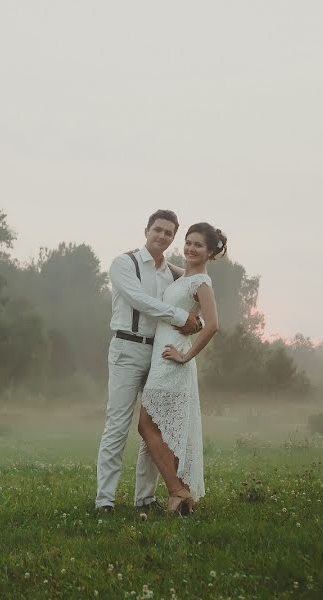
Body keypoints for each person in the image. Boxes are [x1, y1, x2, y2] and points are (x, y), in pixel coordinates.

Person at [94, 209, 202, 513]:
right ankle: (105, 501)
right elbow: (141, 301)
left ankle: (146, 498)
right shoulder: (123, 264)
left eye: (169, 233)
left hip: (160, 353)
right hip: (127, 350)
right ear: (146, 230)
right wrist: (183, 317)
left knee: (154, 425)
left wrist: (199, 321)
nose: (162, 236)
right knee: (117, 425)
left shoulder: (173, 272)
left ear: (173, 239)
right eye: (158, 230)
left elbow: (196, 291)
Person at [138, 222, 225, 515]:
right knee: (165, 428)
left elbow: (212, 325)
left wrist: (186, 356)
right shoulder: (183, 277)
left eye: (199, 245)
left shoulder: (201, 283)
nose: (191, 248)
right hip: (163, 358)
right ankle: (179, 493)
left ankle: (178, 491)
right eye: (188, 242)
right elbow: (167, 266)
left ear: (210, 252)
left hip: (172, 361)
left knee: (147, 425)